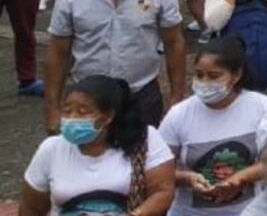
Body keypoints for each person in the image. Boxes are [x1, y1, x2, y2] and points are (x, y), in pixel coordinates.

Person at [46, 0, 187, 127]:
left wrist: (176, 97)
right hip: (87, 98)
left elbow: (174, 43)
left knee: (142, 157)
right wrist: (53, 109)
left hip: (142, 96)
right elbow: (58, 53)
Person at [21, 75, 176, 216]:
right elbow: (32, 207)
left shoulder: (144, 139)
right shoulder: (51, 148)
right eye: (67, 111)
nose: (72, 118)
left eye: (83, 112)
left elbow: (162, 192)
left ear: (108, 116)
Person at [158, 37, 267, 215]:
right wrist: (187, 178)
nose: (204, 82)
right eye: (199, 75)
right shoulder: (178, 115)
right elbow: (158, 172)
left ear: (236, 75)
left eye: (214, 76)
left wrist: (241, 179)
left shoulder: (260, 106)